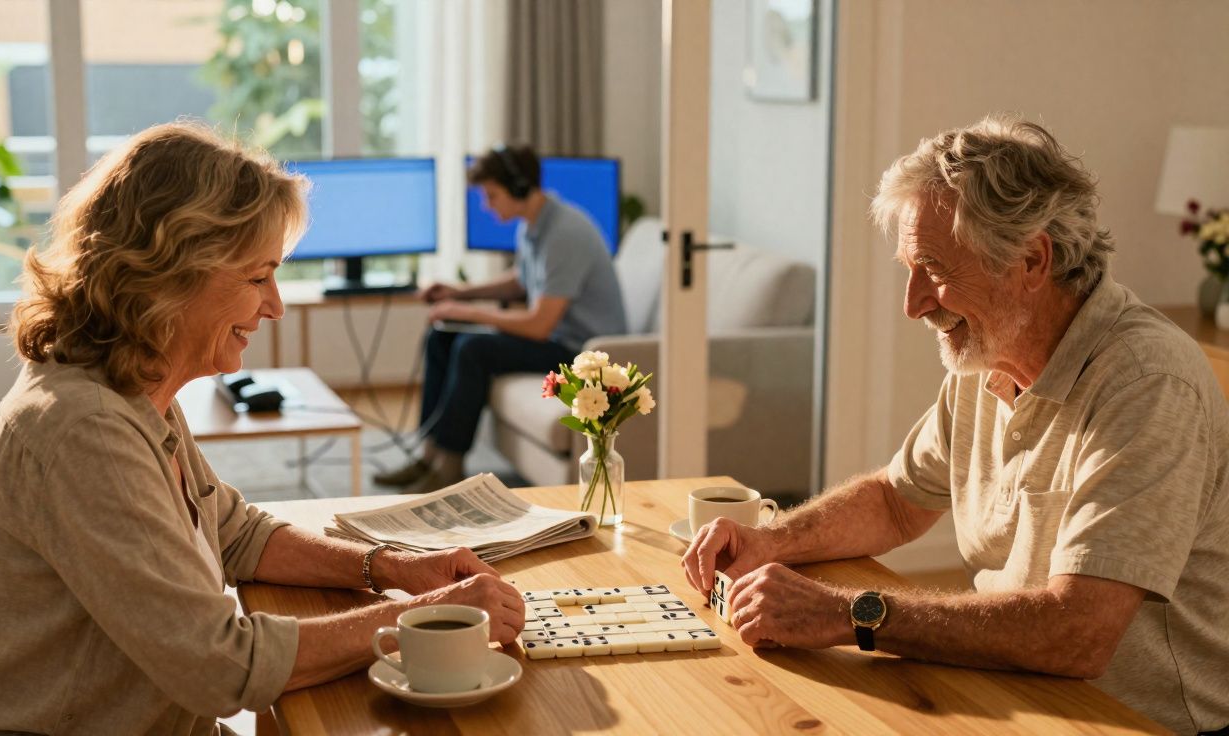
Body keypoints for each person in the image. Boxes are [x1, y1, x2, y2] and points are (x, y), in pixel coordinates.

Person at [0, 122, 524, 735]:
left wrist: (392, 566)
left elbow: (233, 533)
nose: (276, 305)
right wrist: (427, 615)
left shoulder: (133, 383)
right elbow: (222, 666)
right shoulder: (85, 429)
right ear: (172, 273)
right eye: (258, 277)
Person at [682, 115, 1228, 735]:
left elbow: (1079, 632)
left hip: (1134, 720)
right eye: (909, 268)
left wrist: (849, 613)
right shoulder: (989, 354)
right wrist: (773, 540)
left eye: (935, 269)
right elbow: (895, 501)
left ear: (1031, 260)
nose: (913, 302)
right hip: (1015, 690)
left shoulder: (1148, 383)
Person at [375, 145, 627, 493]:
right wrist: (456, 293)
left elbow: (540, 325)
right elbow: (520, 282)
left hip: (582, 352)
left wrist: (469, 311)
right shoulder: (534, 225)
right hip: (557, 338)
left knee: (473, 349)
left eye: (492, 195)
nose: (486, 205)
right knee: (442, 336)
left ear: (520, 188)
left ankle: (450, 465)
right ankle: (428, 453)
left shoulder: (565, 234)